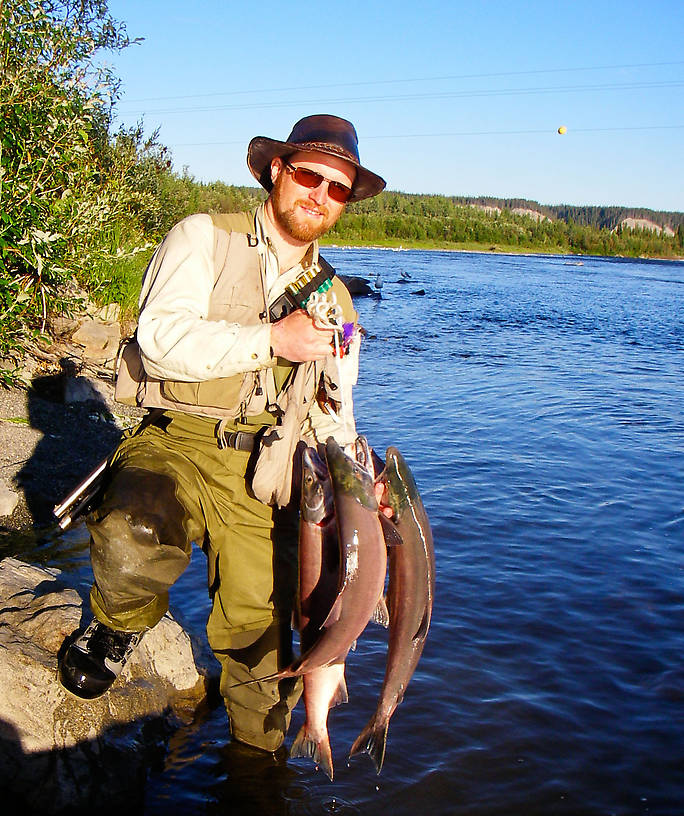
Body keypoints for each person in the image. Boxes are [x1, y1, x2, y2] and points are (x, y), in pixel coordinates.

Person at [58, 114, 386, 753]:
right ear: (276, 172)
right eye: (308, 176)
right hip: (175, 438)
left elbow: (333, 412)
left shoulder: (337, 301)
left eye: (338, 188)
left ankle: (259, 766)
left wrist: (355, 480)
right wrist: (272, 340)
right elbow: (158, 339)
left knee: (263, 639)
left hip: (269, 469)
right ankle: (116, 625)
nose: (320, 195)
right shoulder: (202, 237)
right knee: (133, 535)